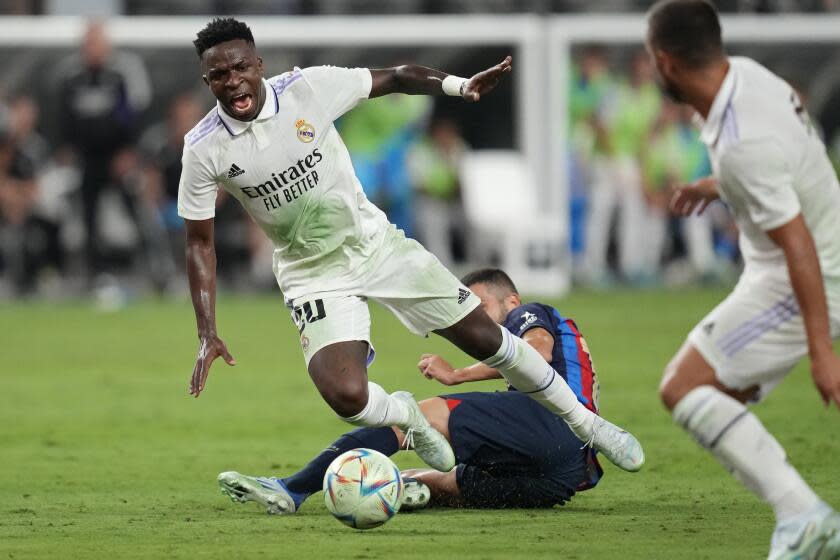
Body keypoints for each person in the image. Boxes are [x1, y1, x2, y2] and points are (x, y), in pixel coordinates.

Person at [179, 18, 643, 478]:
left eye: (241, 67)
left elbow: (398, 76)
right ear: (208, 81)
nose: (233, 80)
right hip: (311, 272)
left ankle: (589, 425)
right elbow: (200, 243)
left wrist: (460, 87)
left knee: (486, 339)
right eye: (220, 75)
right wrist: (207, 331)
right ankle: (408, 417)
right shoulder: (203, 149)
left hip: (376, 245)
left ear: (258, 64)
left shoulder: (307, 88)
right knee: (346, 396)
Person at [646, 1, 840, 558]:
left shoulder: (741, 142)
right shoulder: (749, 76)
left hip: (804, 274)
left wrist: (821, 350)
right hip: (802, 261)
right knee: (719, 400)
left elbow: (796, 242)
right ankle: (800, 515)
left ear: (665, 62)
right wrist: (715, 185)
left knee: (685, 388)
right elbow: (793, 155)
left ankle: (805, 517)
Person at [218, 269, 602, 512]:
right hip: (565, 475)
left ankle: (291, 489)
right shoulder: (551, 343)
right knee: (446, 484)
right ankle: (396, 489)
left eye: (482, 306)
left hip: (552, 425)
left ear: (511, 301)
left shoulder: (528, 313)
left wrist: (458, 375)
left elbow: (536, 352)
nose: (478, 320)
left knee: (412, 419)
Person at [53, 20, 151, 285]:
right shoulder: (72, 78)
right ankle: (94, 274)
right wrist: (67, 148)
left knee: (136, 209)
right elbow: (64, 118)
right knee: (87, 215)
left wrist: (129, 151)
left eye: (96, 43)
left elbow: (134, 115)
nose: (92, 49)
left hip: (118, 157)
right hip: (87, 159)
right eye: (88, 44)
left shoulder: (120, 76)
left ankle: (153, 269)